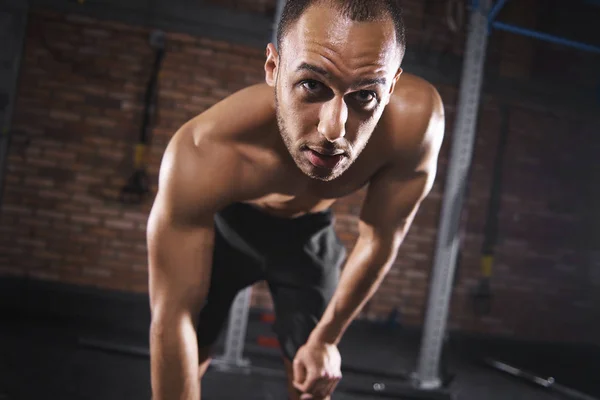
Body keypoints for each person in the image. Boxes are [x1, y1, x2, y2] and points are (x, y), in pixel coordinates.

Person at [147, 0, 445, 399]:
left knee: (311, 379)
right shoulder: (204, 150)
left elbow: (380, 239)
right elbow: (172, 317)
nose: (334, 129)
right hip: (230, 229)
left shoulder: (416, 124)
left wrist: (327, 338)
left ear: (390, 87)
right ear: (273, 68)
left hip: (307, 236)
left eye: (365, 96)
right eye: (312, 85)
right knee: (192, 341)